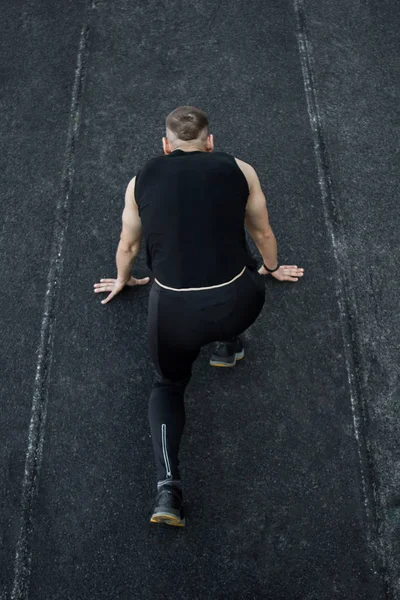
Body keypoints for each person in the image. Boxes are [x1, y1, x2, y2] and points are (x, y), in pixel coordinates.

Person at [94, 106, 304, 527]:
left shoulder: (140, 181)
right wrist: (272, 266)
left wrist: (122, 279)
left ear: (165, 146)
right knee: (244, 280)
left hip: (174, 313)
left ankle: (168, 490)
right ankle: (227, 346)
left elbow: (128, 245)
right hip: (237, 303)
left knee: (167, 386)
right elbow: (261, 231)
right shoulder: (240, 169)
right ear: (210, 142)